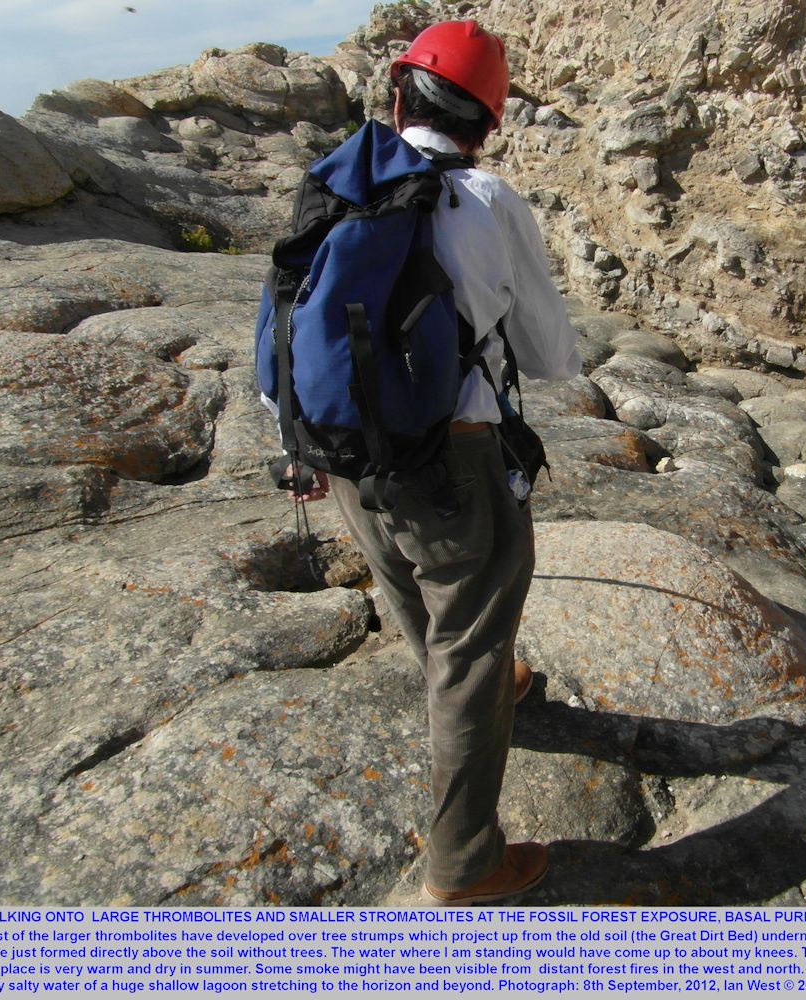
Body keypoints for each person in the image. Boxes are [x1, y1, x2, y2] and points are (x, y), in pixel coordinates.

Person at [291, 19, 581, 905]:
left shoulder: (332, 185)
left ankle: (479, 684)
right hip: (449, 457)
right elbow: (550, 355)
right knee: (473, 623)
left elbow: (287, 314)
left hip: (339, 450)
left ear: (394, 99)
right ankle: (465, 865)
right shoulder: (488, 202)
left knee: (406, 583)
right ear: (486, 124)